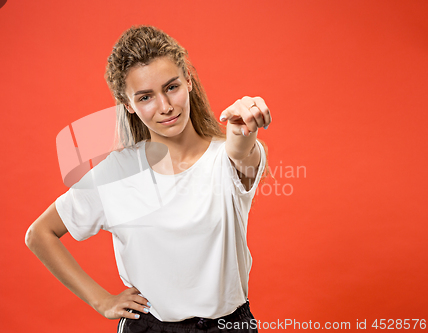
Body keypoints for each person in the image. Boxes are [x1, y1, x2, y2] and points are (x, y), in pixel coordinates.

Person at [25, 25, 273, 333]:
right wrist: (101, 300)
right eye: (145, 97)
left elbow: (242, 152)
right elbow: (39, 234)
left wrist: (243, 129)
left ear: (189, 81)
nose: (165, 107)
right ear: (128, 105)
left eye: (172, 87)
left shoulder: (225, 159)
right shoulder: (116, 172)